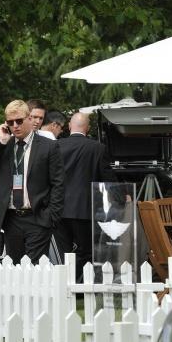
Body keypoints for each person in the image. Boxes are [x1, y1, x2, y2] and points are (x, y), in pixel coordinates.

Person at [0, 100, 64, 264]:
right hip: (11, 219)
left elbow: (58, 184)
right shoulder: (5, 145)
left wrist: (50, 217)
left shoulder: (48, 146)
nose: (15, 126)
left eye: (19, 121)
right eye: (11, 123)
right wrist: (1, 142)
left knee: (34, 268)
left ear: (29, 119)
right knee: (15, 269)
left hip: (37, 217)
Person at [55, 112, 117, 281]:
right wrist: (121, 196)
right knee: (86, 251)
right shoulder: (97, 148)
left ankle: (65, 282)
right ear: (88, 128)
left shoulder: (56, 146)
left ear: (69, 126)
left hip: (58, 208)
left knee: (64, 251)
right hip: (84, 209)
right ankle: (74, 282)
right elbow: (107, 178)